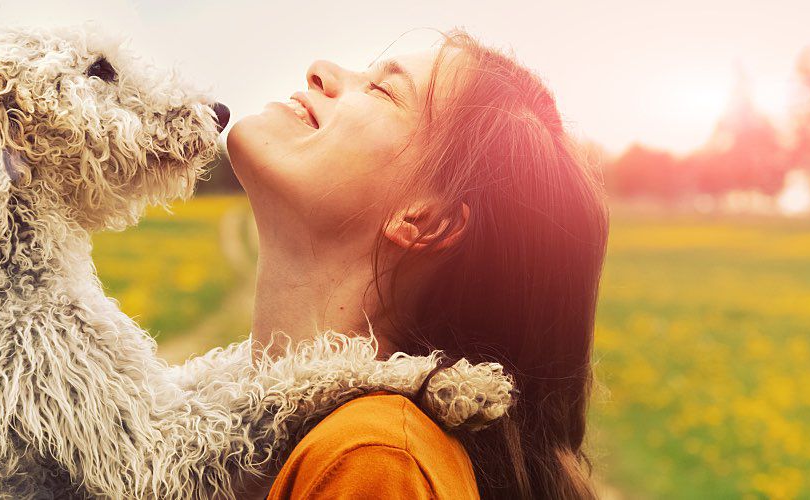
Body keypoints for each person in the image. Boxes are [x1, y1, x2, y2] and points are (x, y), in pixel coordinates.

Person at [226, 29, 609, 499]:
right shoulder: (318, 446)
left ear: (426, 219)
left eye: (383, 90)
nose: (320, 70)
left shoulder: (374, 463)